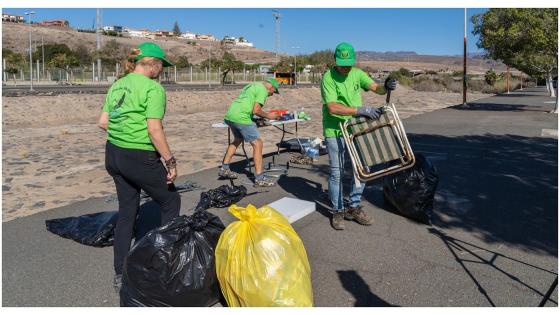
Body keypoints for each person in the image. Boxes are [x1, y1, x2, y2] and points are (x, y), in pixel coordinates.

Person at [97, 42, 181, 290]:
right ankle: (163, 262)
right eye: (161, 66)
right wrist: (170, 161)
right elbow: (154, 130)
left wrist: (123, 135)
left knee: (127, 212)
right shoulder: (153, 89)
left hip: (113, 154)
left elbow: (103, 123)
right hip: (139, 156)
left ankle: (120, 274)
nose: (162, 71)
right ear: (153, 65)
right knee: (170, 201)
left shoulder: (117, 84)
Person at [321, 42, 397, 230]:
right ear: (335, 61)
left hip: (355, 128)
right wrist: (360, 110)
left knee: (363, 167)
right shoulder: (328, 78)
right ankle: (337, 210)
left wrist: (386, 86)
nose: (345, 67)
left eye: (348, 63)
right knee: (337, 172)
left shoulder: (357, 74)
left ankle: (353, 207)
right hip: (335, 130)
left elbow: (375, 87)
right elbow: (332, 108)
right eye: (342, 63)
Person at [218, 78, 281, 187]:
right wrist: (268, 116)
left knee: (237, 140)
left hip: (230, 116)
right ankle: (259, 178)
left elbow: (246, 103)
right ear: (271, 87)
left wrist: (254, 119)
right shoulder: (263, 90)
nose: (272, 94)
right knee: (258, 143)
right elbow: (256, 110)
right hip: (242, 118)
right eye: (273, 92)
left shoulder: (252, 85)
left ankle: (225, 168)